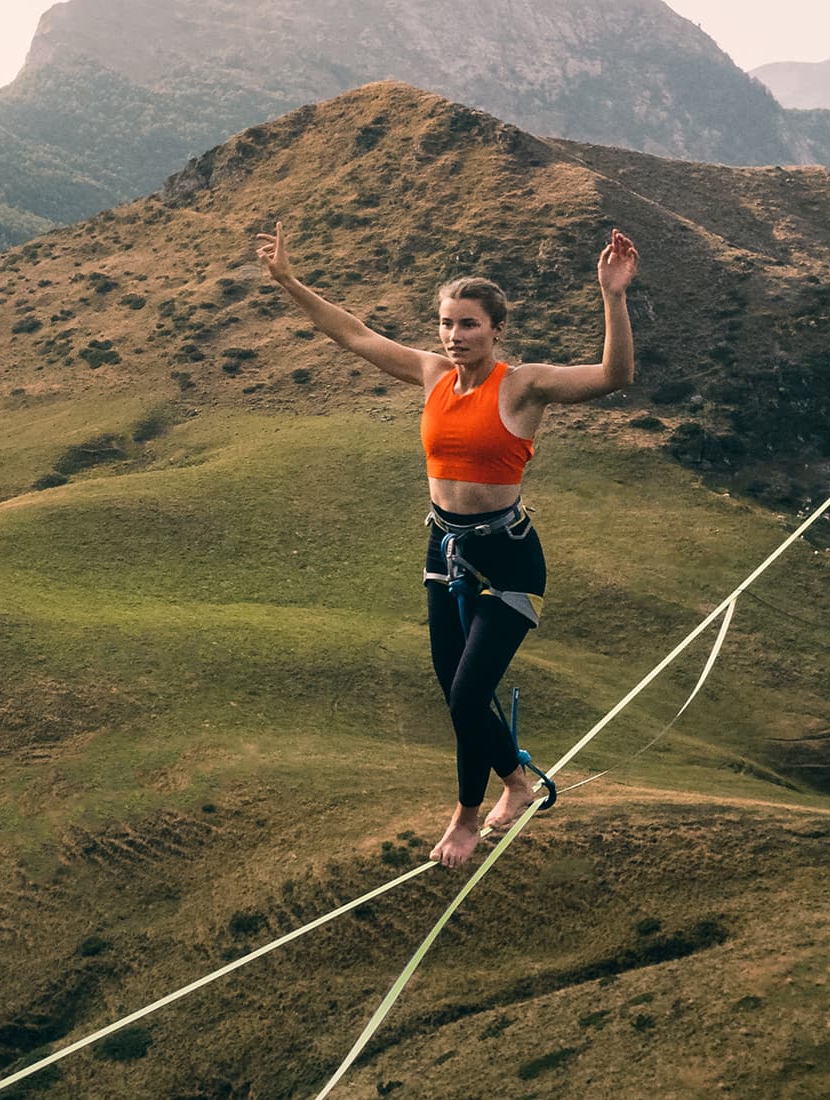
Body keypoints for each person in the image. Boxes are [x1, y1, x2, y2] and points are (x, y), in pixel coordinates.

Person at [256, 221, 639, 867]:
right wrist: (290, 282)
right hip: (446, 554)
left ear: (496, 330)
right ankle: (506, 787)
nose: (454, 336)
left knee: (467, 695)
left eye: (468, 324)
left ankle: (480, 809)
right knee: (459, 697)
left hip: (509, 558)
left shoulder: (523, 386)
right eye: (446, 323)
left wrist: (614, 295)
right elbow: (352, 333)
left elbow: (614, 376)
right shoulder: (432, 374)